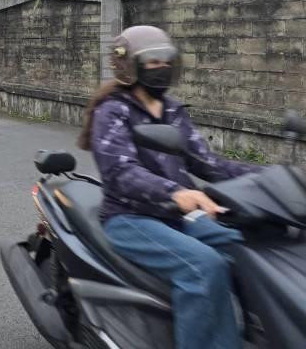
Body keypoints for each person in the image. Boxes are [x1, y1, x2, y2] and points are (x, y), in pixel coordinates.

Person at [81, 25, 263, 349]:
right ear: (130, 66)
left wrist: (271, 178)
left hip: (176, 218)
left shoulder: (172, 110)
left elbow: (208, 163)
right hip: (130, 218)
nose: (162, 68)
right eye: (153, 62)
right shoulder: (112, 111)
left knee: (249, 247)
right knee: (203, 266)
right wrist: (175, 192)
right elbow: (120, 171)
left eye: (167, 61)